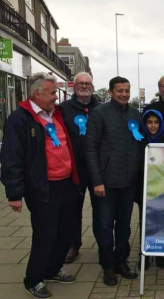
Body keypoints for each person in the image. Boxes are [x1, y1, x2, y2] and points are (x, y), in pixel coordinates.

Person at [0, 72, 80, 299]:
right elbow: (11, 157)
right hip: (42, 188)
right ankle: (33, 279)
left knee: (67, 232)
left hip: (66, 183)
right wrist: (14, 193)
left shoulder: (58, 114)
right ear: (37, 93)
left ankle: (53, 270)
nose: (56, 97)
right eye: (53, 92)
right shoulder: (20, 118)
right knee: (45, 235)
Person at [85, 76, 141, 286]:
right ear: (110, 92)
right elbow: (90, 148)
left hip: (128, 182)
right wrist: (97, 181)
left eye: (127, 90)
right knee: (105, 225)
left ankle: (121, 261)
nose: (124, 94)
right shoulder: (99, 113)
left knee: (125, 226)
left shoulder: (135, 114)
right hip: (105, 183)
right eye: (120, 91)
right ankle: (107, 265)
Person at [60, 72, 100, 264]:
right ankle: (73, 245)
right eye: (80, 83)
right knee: (72, 210)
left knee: (101, 210)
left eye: (87, 83)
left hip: (98, 169)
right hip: (73, 169)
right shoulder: (63, 109)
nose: (84, 86)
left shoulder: (101, 108)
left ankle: (104, 244)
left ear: (92, 87)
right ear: (73, 86)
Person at [136, 109, 164, 270]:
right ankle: (144, 253)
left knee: (161, 219)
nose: (153, 125)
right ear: (144, 123)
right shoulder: (139, 139)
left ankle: (159, 252)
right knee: (145, 220)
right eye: (149, 122)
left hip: (162, 186)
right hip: (143, 186)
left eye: (156, 122)